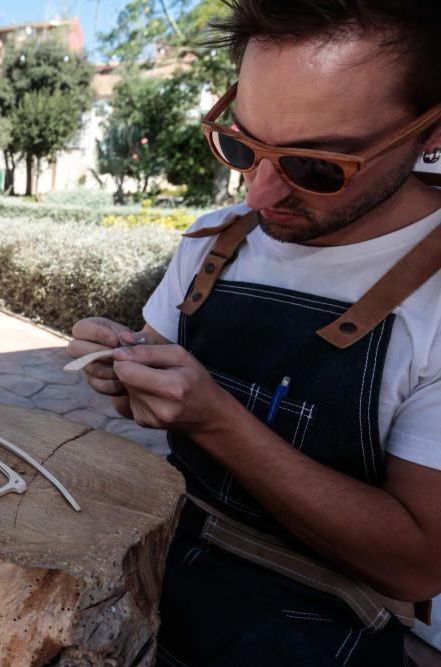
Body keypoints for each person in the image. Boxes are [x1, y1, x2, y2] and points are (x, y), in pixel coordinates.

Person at [68, 2, 441, 664]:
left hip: (327, 627)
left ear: (429, 133)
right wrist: (123, 372)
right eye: (242, 144)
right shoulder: (216, 238)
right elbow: (149, 401)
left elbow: (415, 565)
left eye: (315, 167)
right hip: (163, 569)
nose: (260, 193)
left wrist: (218, 421)